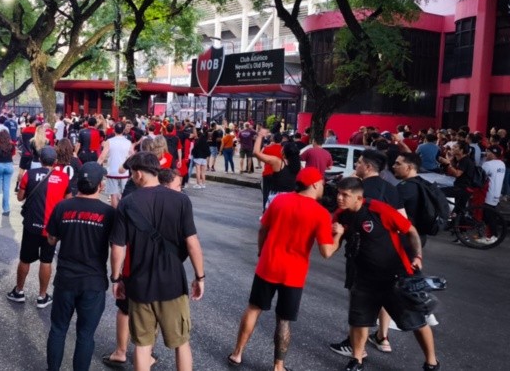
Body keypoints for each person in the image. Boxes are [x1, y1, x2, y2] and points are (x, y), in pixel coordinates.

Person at [227, 167, 344, 369]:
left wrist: (261, 252)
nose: (324, 187)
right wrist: (339, 235)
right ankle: (278, 366)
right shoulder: (321, 214)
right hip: (293, 273)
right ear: (315, 184)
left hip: (268, 264)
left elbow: (263, 229)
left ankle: (237, 353)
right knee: (283, 320)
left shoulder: (279, 201)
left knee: (254, 308)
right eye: (323, 183)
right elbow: (326, 252)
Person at [109, 151, 205, 371]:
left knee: (143, 345)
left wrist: (116, 279)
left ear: (140, 174)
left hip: (140, 284)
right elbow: (192, 243)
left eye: (133, 173)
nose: (132, 177)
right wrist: (200, 276)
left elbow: (118, 247)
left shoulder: (128, 203)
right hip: (173, 283)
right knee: (181, 343)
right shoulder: (180, 199)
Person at [331, 177, 439, 371]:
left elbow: (411, 231)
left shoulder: (378, 210)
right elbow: (330, 249)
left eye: (345, 195)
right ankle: (357, 360)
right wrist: (337, 234)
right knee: (359, 321)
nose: (339, 198)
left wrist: (418, 256)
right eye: (338, 193)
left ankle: (431, 363)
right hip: (364, 279)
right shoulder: (340, 215)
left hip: (395, 277)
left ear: (358, 198)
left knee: (416, 322)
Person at [45, 162, 115, 371]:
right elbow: (117, 245)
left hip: (66, 278)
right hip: (93, 281)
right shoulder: (109, 213)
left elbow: (51, 239)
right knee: (85, 335)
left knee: (58, 329)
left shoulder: (63, 206)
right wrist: (118, 277)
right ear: (100, 186)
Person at [7, 146, 70, 308]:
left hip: (31, 225)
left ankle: (19, 291)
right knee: (46, 261)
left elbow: (20, 198)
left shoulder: (30, 174)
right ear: (55, 162)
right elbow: (68, 201)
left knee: (25, 259)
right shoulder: (63, 177)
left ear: (40, 160)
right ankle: (42, 296)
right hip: (51, 228)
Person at [98, 122, 132, 208]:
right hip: (124, 172)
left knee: (113, 195)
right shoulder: (128, 142)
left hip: (112, 172)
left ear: (114, 130)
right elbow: (132, 156)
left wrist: (96, 167)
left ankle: (114, 214)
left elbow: (102, 157)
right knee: (124, 195)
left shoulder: (109, 141)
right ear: (123, 130)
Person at [437, 140, 476, 214]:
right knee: (459, 210)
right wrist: (450, 160)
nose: (452, 148)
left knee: (438, 191)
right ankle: (458, 222)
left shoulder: (465, 160)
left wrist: (448, 163)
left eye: (455, 147)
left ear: (461, 150)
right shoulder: (462, 160)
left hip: (463, 189)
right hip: (461, 187)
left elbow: (457, 174)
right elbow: (454, 169)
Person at [0, 129, 16, 216]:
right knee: (6, 188)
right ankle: (6, 209)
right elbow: (13, 154)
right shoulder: (12, 145)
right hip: (9, 165)